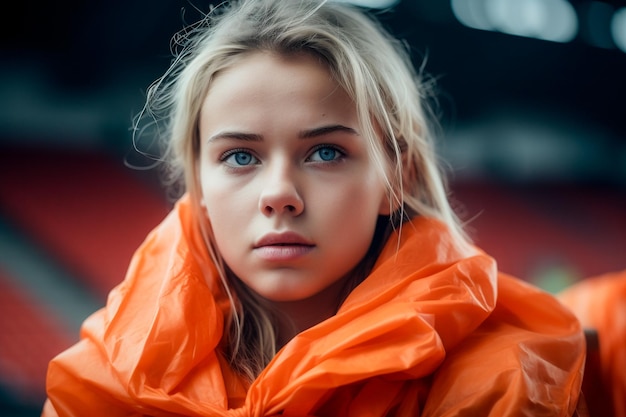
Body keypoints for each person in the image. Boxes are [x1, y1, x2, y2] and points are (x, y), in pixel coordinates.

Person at [42, 0, 585, 415]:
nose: (279, 193)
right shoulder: (105, 382)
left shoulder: (504, 380)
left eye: (326, 152)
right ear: (198, 185)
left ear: (399, 175)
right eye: (239, 156)